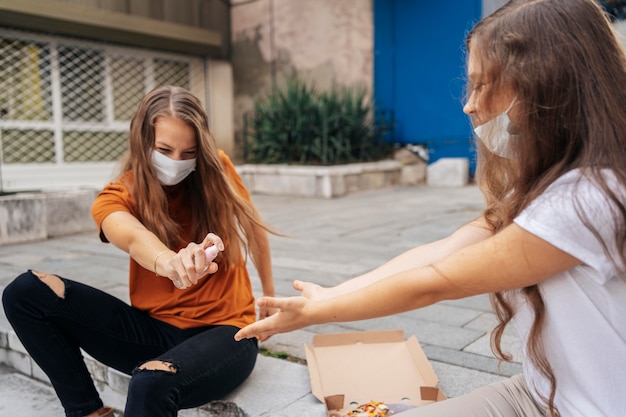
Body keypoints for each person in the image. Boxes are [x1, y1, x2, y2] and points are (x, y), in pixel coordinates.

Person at [235, 1, 626, 416]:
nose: (469, 105)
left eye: (482, 85)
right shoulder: (552, 185)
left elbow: (437, 282)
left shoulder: (589, 197)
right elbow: (440, 253)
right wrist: (330, 293)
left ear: (543, 84)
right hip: (538, 393)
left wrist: (318, 313)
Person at [2, 85, 277, 417]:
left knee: (150, 383)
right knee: (25, 293)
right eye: (165, 149)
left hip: (226, 331)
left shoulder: (216, 169)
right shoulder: (118, 194)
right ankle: (87, 411)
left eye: (188, 152)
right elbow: (131, 236)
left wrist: (270, 303)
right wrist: (169, 261)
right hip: (154, 331)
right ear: (143, 141)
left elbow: (253, 228)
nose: (176, 161)